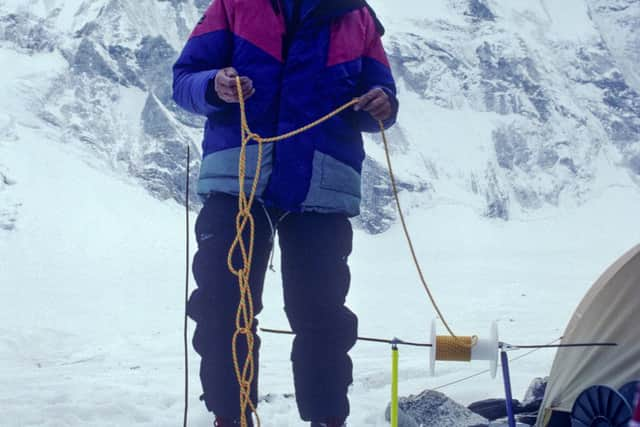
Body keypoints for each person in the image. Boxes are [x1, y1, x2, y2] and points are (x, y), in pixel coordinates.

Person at [172, 0, 399, 425]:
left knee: (322, 317)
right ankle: (231, 417)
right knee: (223, 308)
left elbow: (383, 100)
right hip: (239, 183)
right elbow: (184, 80)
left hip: (321, 188)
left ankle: (328, 420)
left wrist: (381, 104)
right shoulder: (233, 5)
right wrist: (212, 85)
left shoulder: (359, 18)